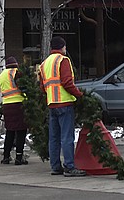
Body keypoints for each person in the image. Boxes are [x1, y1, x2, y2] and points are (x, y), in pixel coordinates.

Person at [38, 35, 86, 177]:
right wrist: (79, 95)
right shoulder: (63, 60)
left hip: (52, 103)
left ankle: (55, 167)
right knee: (67, 137)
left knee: (54, 137)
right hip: (64, 103)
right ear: (62, 47)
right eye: (65, 46)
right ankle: (69, 167)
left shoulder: (44, 64)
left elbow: (42, 87)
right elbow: (67, 82)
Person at [0, 55, 28, 165]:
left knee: (10, 131)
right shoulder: (18, 73)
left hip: (7, 105)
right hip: (19, 104)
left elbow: (0, 85)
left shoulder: (1, 75)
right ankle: (19, 157)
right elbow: (24, 88)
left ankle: (6, 156)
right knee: (21, 131)